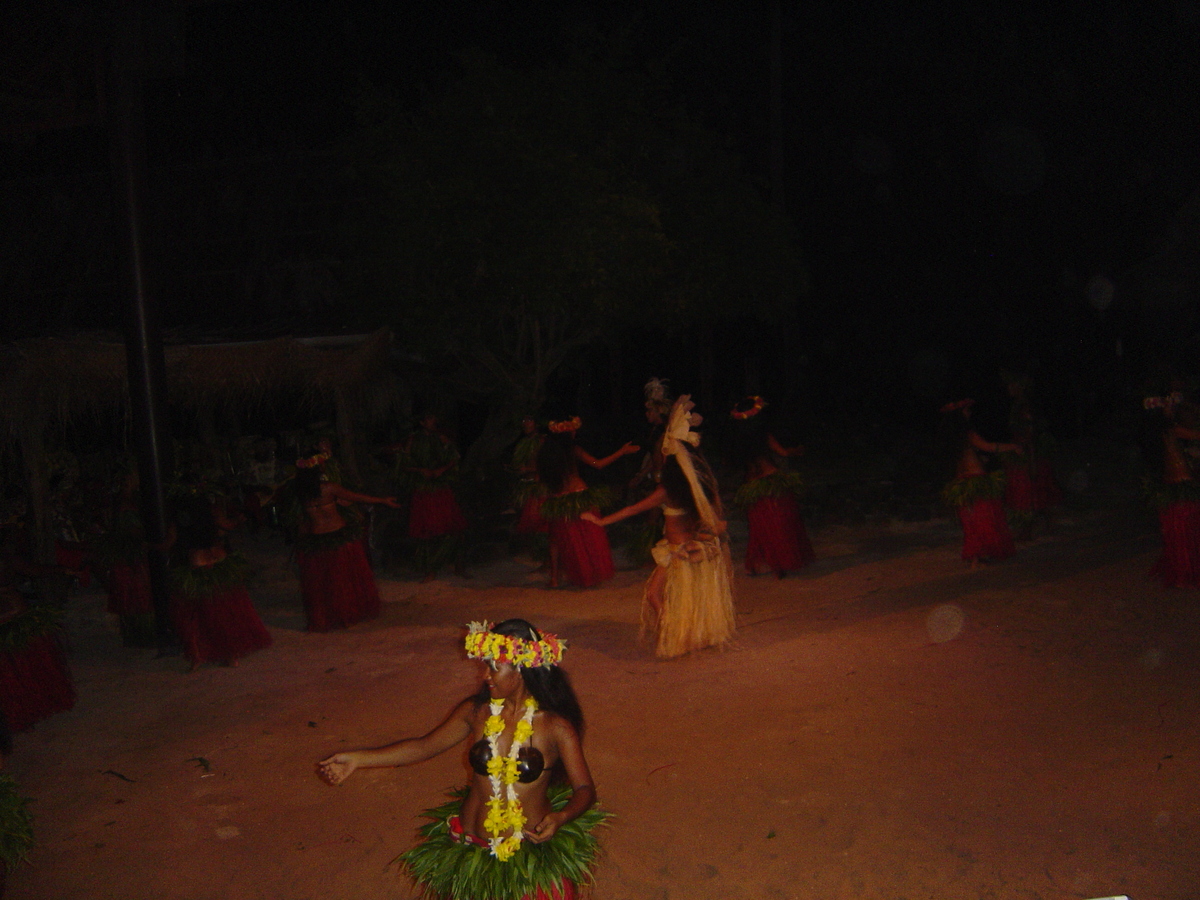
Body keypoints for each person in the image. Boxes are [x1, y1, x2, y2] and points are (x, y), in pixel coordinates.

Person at [317, 619, 606, 900]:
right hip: (471, 847)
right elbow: (423, 746)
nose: (485, 676)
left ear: (520, 668)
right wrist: (358, 759)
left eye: (494, 667)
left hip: (525, 852)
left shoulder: (555, 727)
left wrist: (562, 817)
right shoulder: (476, 713)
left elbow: (585, 790)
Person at [584, 396, 736, 658]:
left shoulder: (665, 492)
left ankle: (677, 633)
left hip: (678, 553)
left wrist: (601, 521)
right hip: (692, 549)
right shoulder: (694, 489)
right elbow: (717, 521)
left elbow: (632, 509)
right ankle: (689, 634)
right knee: (688, 599)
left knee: (655, 595)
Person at [294, 451, 400, 631]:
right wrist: (382, 500)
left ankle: (328, 617)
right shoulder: (328, 488)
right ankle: (347, 616)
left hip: (317, 540)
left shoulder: (302, 492)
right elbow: (356, 497)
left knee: (323, 583)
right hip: (338, 537)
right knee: (344, 580)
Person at [168, 496, 272, 671]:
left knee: (195, 615)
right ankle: (232, 657)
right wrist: (239, 519)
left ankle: (197, 658)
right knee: (227, 612)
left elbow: (168, 543)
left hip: (198, 564)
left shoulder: (180, 520)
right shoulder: (213, 514)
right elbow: (229, 525)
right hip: (220, 560)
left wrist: (150, 546)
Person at [536, 418, 639, 588]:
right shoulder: (573, 450)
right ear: (567, 434)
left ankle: (555, 578)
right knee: (585, 536)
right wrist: (622, 451)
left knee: (555, 539)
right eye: (572, 431)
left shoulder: (546, 452)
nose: (575, 433)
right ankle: (590, 574)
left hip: (557, 498)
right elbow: (597, 464)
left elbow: (540, 478)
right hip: (579, 495)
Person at [728, 395, 814, 577]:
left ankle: (761, 564)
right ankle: (782, 563)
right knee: (782, 524)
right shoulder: (763, 436)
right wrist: (796, 450)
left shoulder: (737, 442)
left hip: (751, 487)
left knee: (760, 527)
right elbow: (782, 452)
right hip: (772, 483)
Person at [940, 398, 1021, 566]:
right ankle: (979, 555)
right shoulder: (968, 434)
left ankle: (976, 557)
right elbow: (989, 447)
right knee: (985, 519)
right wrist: (1012, 446)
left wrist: (979, 459)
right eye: (966, 411)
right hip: (976, 482)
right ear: (959, 416)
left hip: (961, 484)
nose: (969, 413)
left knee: (971, 521)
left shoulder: (951, 438)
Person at [396, 413, 469, 580]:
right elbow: (403, 466)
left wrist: (441, 470)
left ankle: (458, 566)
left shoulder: (441, 438)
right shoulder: (413, 440)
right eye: (429, 418)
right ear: (422, 422)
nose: (433, 421)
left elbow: (454, 458)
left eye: (434, 418)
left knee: (454, 528)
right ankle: (431, 569)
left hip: (441, 488)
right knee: (427, 530)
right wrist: (420, 470)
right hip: (423, 489)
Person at [1144, 392, 1200, 588]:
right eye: (1167, 407)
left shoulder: (1164, 431)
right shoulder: (1171, 430)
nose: (1172, 409)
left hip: (1174, 486)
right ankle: (1185, 572)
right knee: (1184, 532)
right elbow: (1194, 435)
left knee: (1181, 532)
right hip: (1178, 488)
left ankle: (1183, 570)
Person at [1001, 371, 1061, 540]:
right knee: (1031, 491)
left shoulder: (1024, 405)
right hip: (1022, 449)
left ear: (1020, 386)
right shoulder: (1018, 404)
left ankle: (1028, 528)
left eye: (1011, 385)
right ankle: (1044, 524)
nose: (1008, 388)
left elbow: (1030, 433)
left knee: (1027, 492)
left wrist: (1031, 459)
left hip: (1027, 451)